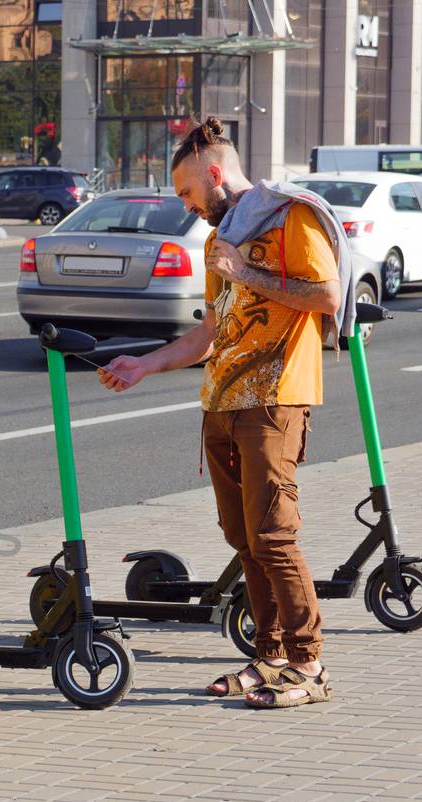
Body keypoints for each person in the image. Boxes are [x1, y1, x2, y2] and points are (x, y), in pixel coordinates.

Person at [97, 117, 351, 709]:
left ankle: (310, 665)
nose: (188, 207)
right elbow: (211, 333)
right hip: (221, 402)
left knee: (274, 534)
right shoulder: (218, 240)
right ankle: (270, 656)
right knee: (243, 537)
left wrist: (248, 272)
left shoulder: (291, 216)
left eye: (188, 193)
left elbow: (327, 296)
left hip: (275, 398)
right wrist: (146, 364)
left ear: (214, 173)